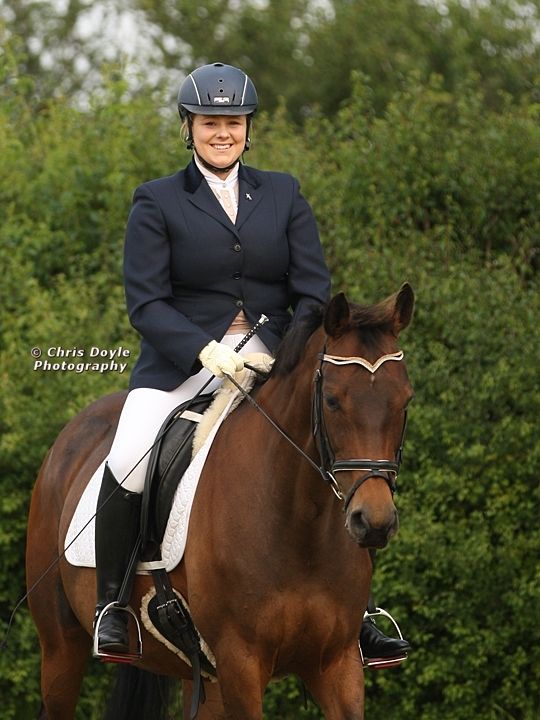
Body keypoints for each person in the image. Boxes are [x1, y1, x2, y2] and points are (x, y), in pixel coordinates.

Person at [92, 62, 410, 665]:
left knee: (333, 449)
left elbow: (314, 292)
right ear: (188, 128)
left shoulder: (283, 193)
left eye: (233, 122)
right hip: (182, 363)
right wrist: (203, 349)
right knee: (129, 454)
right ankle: (113, 606)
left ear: (248, 129)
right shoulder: (157, 200)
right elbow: (146, 303)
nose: (223, 133)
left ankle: (359, 612)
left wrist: (281, 350)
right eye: (210, 122)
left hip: (272, 358)